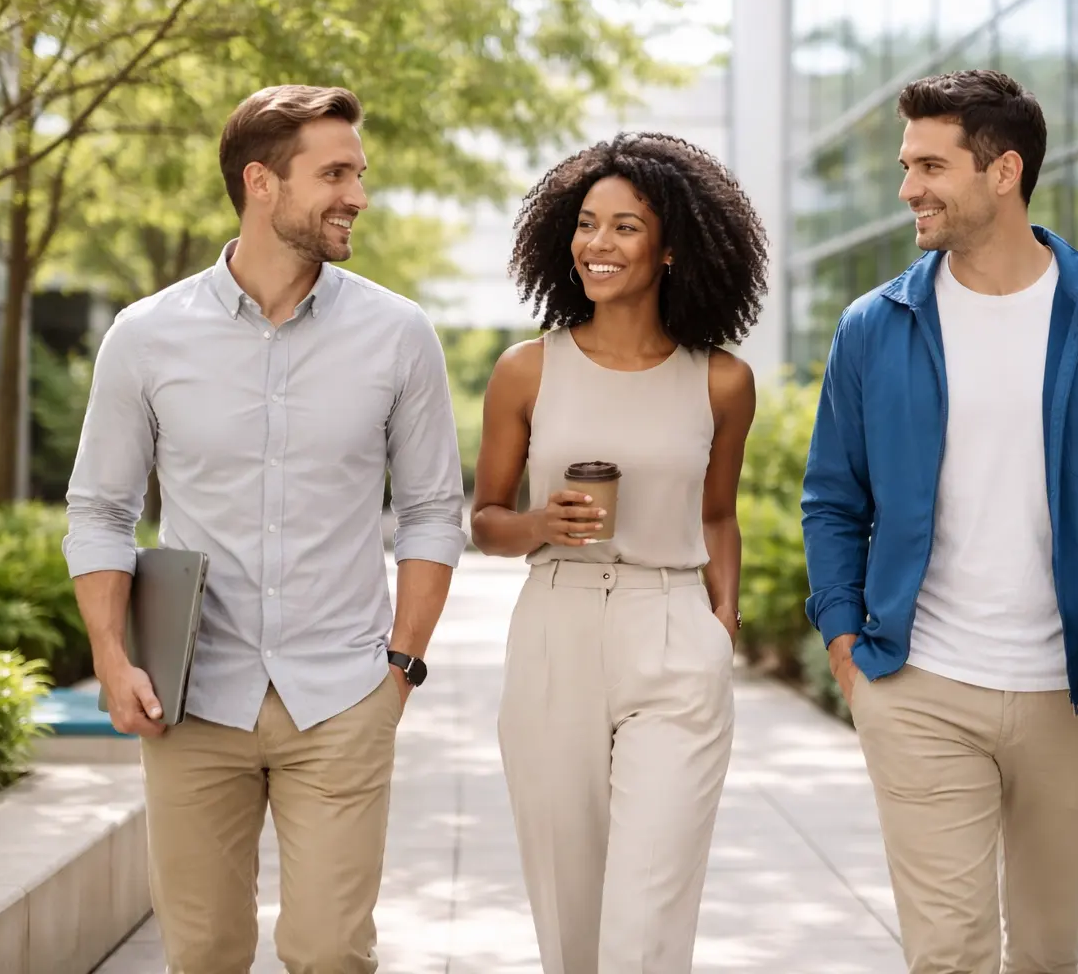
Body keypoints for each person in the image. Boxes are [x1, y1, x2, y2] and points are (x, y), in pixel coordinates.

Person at [801, 69, 1078, 974]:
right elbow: (834, 499)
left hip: (1073, 691)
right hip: (919, 683)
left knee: (1044, 954)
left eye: (929, 165)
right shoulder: (875, 326)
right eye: (906, 165)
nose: (907, 188)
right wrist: (844, 645)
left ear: (1003, 170)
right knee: (947, 955)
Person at [62, 84, 465, 974]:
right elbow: (100, 507)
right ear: (262, 183)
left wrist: (400, 667)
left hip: (344, 697)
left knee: (330, 952)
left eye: (358, 172)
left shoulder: (399, 335)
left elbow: (435, 509)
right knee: (203, 951)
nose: (357, 193)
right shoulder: (146, 335)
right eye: (336, 173)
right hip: (193, 699)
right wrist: (110, 654)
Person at [469, 132, 768, 974]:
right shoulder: (527, 370)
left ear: (672, 247)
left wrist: (720, 626)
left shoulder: (722, 380)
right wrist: (539, 525)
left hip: (672, 628)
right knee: (571, 913)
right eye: (587, 224)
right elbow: (485, 520)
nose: (598, 245)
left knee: (646, 915)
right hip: (556, 626)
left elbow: (717, 517)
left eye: (626, 227)